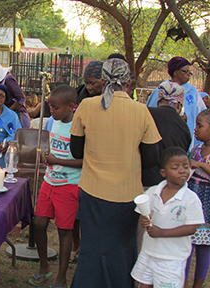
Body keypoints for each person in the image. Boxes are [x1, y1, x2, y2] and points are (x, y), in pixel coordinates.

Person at [69, 58, 161, 288]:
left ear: (104, 78)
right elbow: (152, 158)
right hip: (127, 195)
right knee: (122, 248)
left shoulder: (87, 106)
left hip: (92, 192)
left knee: (92, 247)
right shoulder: (141, 111)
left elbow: (76, 150)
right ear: (127, 80)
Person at [28, 85, 82, 288]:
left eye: (55, 107)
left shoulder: (78, 127)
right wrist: (48, 157)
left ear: (70, 106)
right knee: (39, 223)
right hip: (49, 181)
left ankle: (61, 277)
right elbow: (53, 144)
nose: (51, 110)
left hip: (69, 184)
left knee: (64, 231)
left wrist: (57, 160)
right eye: (50, 106)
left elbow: (84, 161)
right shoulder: (53, 121)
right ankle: (44, 266)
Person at [131, 147, 204, 288]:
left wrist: (162, 233)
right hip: (149, 252)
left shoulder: (190, 198)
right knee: (142, 284)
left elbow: (192, 228)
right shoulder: (152, 193)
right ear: (163, 172)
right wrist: (144, 220)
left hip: (171, 258)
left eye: (186, 166)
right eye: (175, 168)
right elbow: (144, 217)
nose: (182, 171)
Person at [147, 56, 206, 149]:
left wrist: (187, 119)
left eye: (190, 72)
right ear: (175, 72)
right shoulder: (160, 90)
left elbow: (203, 115)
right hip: (162, 141)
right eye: (185, 71)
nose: (188, 74)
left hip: (185, 139)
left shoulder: (193, 92)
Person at [142, 81, 191, 187]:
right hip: (168, 185)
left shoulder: (145, 114)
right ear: (179, 105)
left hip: (143, 181)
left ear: (158, 102)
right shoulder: (184, 127)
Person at [185, 109, 210, 288]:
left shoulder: (203, 156)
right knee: (186, 247)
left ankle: (198, 285)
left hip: (206, 207)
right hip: (192, 202)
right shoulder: (196, 149)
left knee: (204, 250)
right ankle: (182, 282)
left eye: (200, 126)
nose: (196, 129)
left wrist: (201, 164)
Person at [0, 60, 30, 128]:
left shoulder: (8, 79)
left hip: (18, 116)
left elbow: (21, 98)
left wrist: (8, 111)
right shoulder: (2, 81)